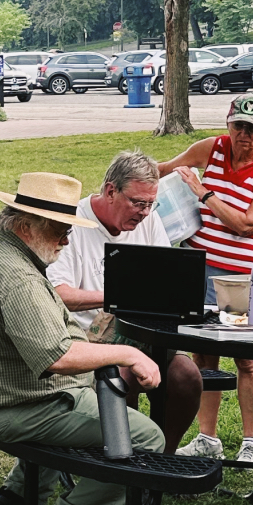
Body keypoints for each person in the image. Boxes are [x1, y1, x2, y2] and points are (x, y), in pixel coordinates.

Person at [0, 171, 167, 505]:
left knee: (77, 394)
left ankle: (15, 500)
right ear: (26, 225)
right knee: (145, 437)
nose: (66, 240)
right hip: (2, 407)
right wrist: (129, 354)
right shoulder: (16, 277)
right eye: (60, 230)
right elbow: (57, 357)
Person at [159, 94, 253, 463]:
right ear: (228, 124)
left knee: (248, 360)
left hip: (244, 277)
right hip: (198, 268)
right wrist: (126, 177)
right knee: (204, 354)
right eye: (238, 126)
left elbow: (248, 225)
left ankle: (252, 443)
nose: (243, 134)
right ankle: (207, 438)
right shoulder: (212, 148)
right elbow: (166, 169)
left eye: (252, 128)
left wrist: (204, 193)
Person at [46, 149, 203, 452]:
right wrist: (120, 297)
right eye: (137, 203)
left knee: (187, 377)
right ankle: (123, 458)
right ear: (110, 191)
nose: (144, 212)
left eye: (150, 204)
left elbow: (164, 274)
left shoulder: (148, 219)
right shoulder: (74, 223)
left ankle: (162, 457)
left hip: (141, 327)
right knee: (123, 376)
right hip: (88, 334)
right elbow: (59, 293)